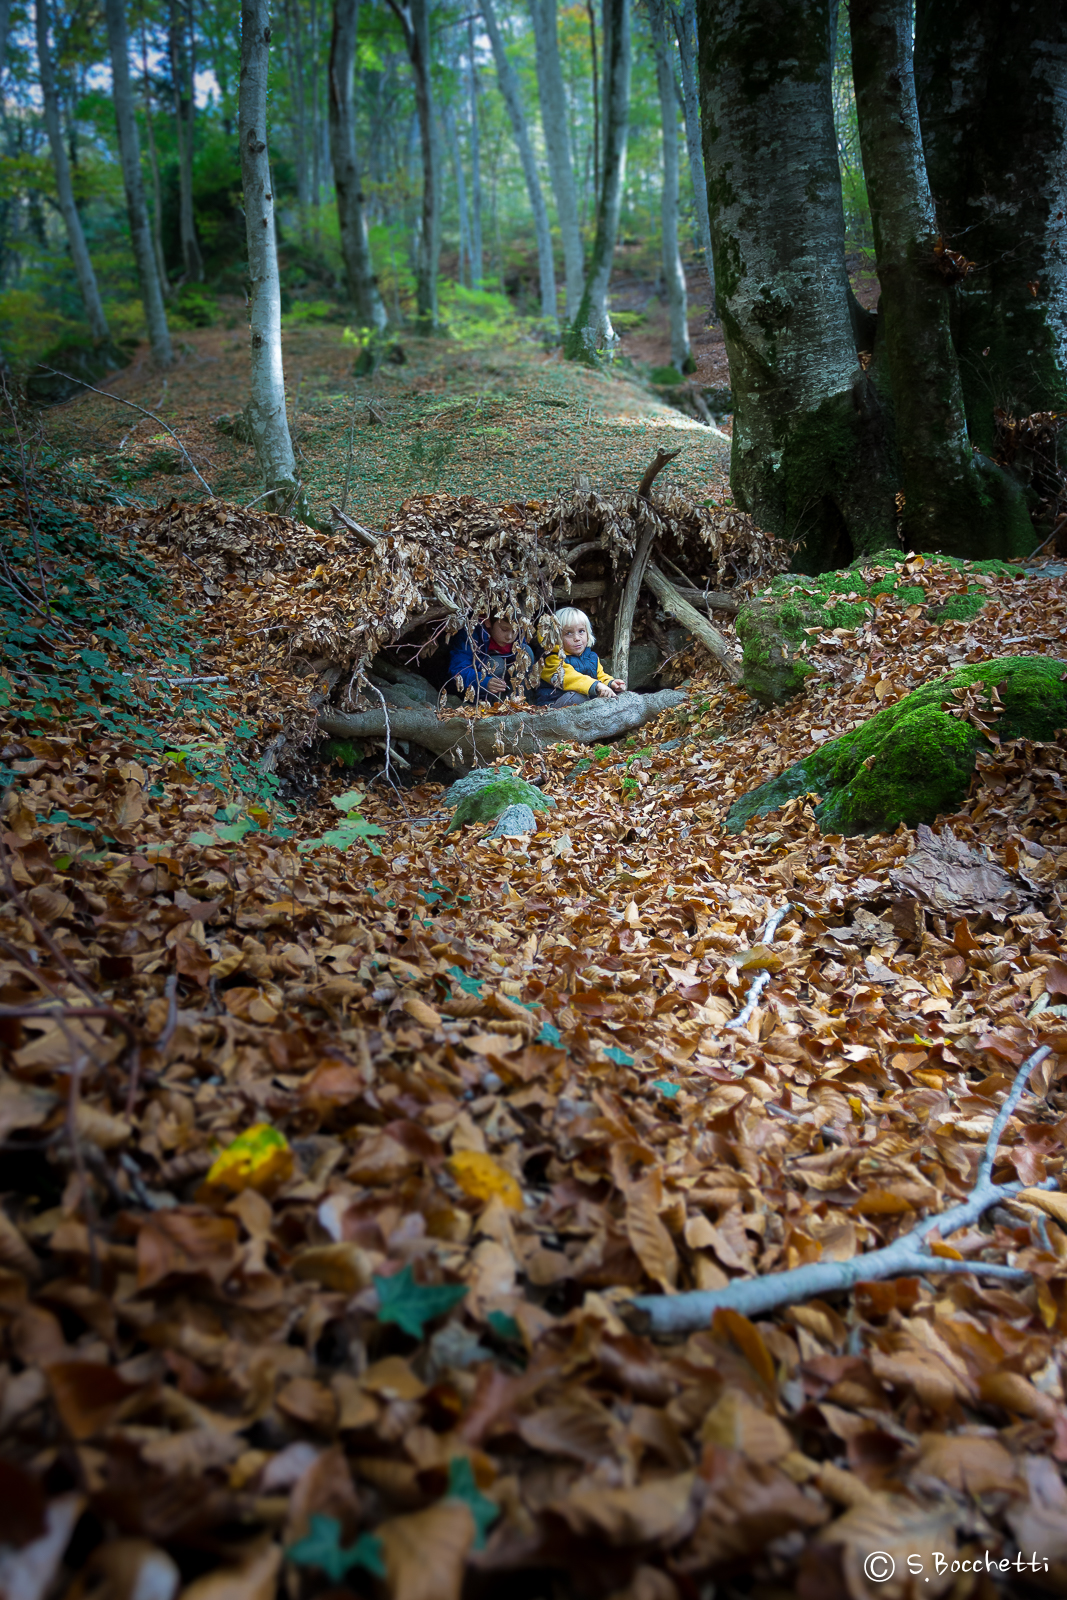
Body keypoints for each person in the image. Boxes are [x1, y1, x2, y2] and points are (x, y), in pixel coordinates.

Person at [535, 607, 626, 706]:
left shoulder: (591, 657)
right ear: (556, 638)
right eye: (569, 633)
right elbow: (569, 677)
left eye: (581, 631)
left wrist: (610, 683)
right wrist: (596, 685)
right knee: (575, 698)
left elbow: (600, 675)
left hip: (585, 700)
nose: (577, 638)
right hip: (555, 703)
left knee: (617, 696)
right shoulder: (551, 659)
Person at [448, 615, 536, 703]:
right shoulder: (472, 634)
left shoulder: (518, 637)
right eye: (504, 629)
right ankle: (492, 706)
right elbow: (458, 670)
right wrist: (484, 682)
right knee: (496, 664)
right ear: (488, 622)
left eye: (515, 630)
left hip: (508, 687)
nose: (509, 637)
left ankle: (518, 701)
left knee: (525, 652)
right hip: (481, 691)